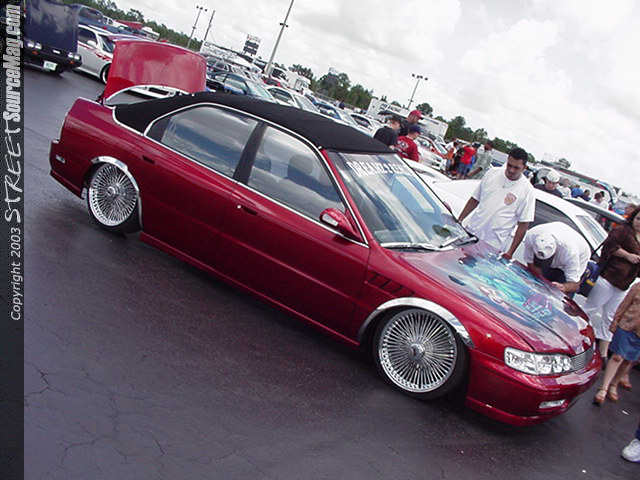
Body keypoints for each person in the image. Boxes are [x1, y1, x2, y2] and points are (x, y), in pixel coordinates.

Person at [583, 206, 640, 362]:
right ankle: (577, 337)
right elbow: (609, 246)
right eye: (638, 218)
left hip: (624, 284)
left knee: (610, 317)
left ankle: (603, 353)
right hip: (608, 278)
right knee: (591, 308)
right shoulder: (623, 230)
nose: (639, 223)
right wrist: (627, 256)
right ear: (633, 217)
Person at [457, 147, 535, 258]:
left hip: (493, 245)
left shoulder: (528, 190)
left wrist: (510, 253)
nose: (511, 170)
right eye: (509, 165)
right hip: (471, 233)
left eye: (516, 168)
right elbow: (474, 199)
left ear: (524, 168)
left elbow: (523, 224)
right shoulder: (492, 173)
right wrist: (459, 220)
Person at [593, 282, 640, 405]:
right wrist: (615, 321)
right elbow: (624, 305)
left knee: (628, 361)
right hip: (626, 326)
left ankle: (614, 384)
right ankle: (604, 388)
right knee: (617, 357)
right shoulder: (638, 287)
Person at [522, 222, 590, 295]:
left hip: (580, 254)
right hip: (561, 237)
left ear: (554, 253)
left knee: (558, 293)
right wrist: (538, 282)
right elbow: (531, 264)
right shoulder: (531, 236)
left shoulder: (570, 253)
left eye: (545, 261)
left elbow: (575, 285)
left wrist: (564, 287)